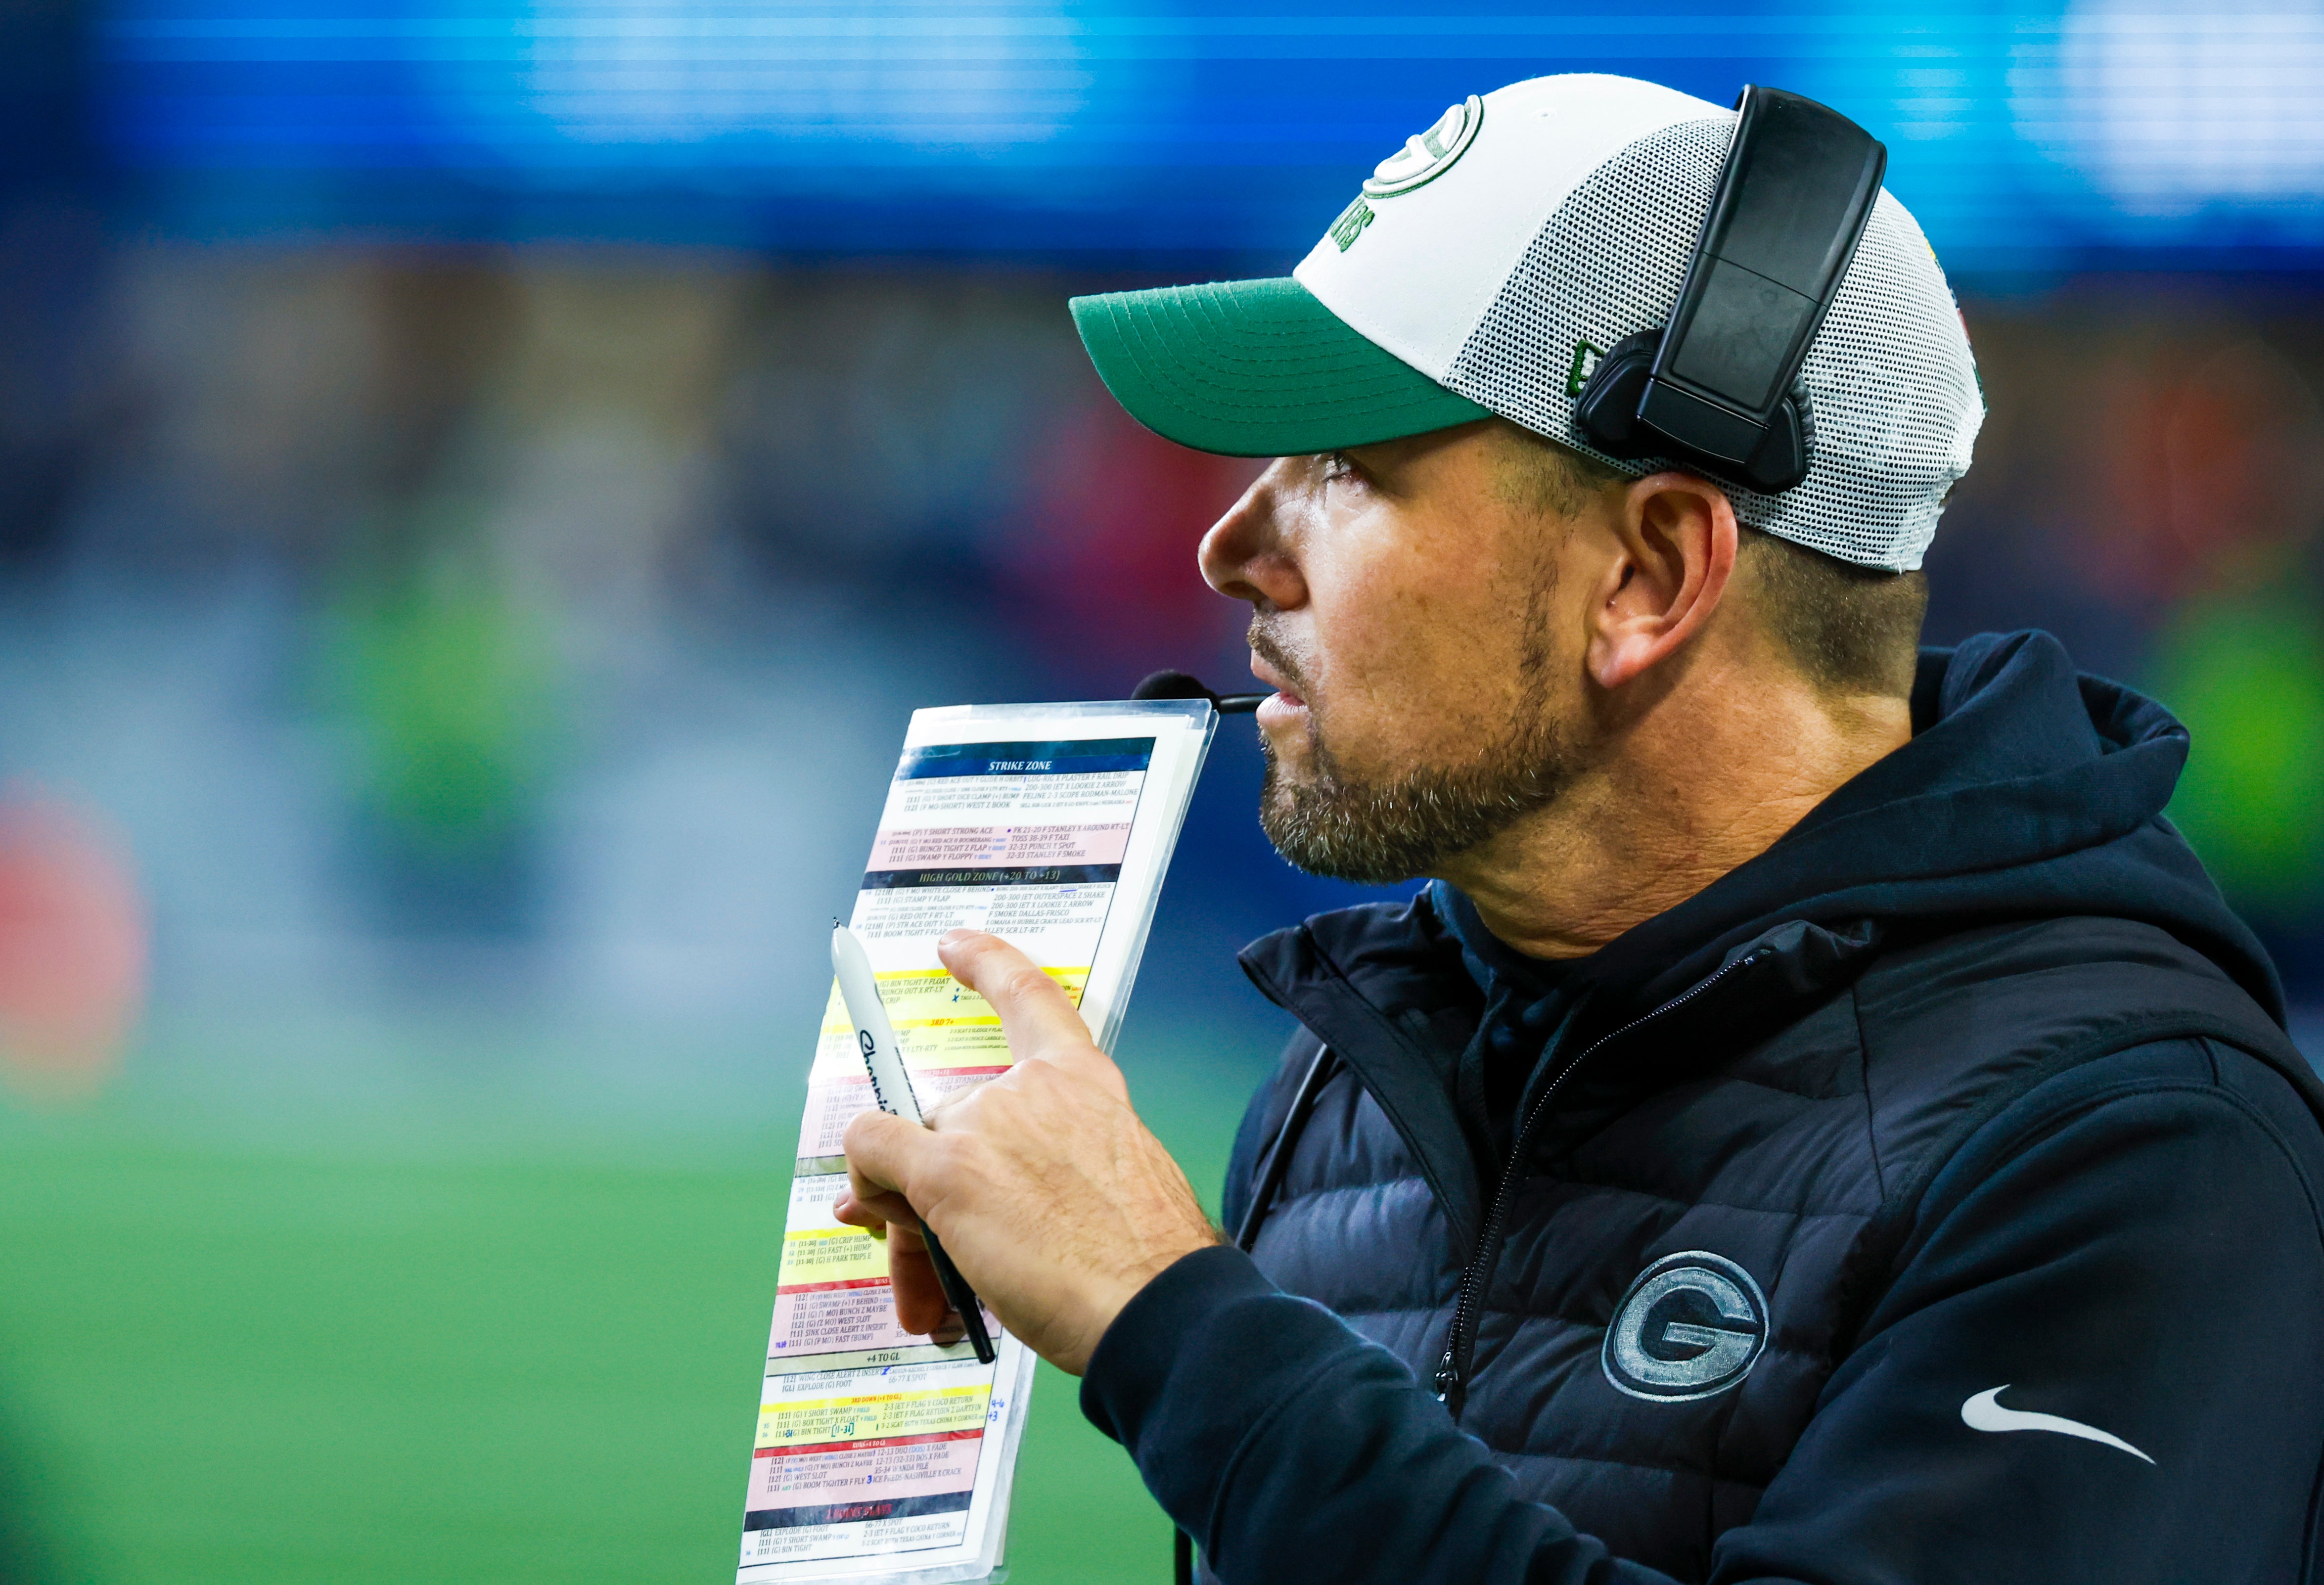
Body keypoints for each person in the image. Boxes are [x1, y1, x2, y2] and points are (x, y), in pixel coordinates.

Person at [833, 73, 2324, 1584]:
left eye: (1345, 465)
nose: (1230, 548)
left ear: (1652, 576)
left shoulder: (2136, 1152)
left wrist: (1174, 1321)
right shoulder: (1355, 1084)